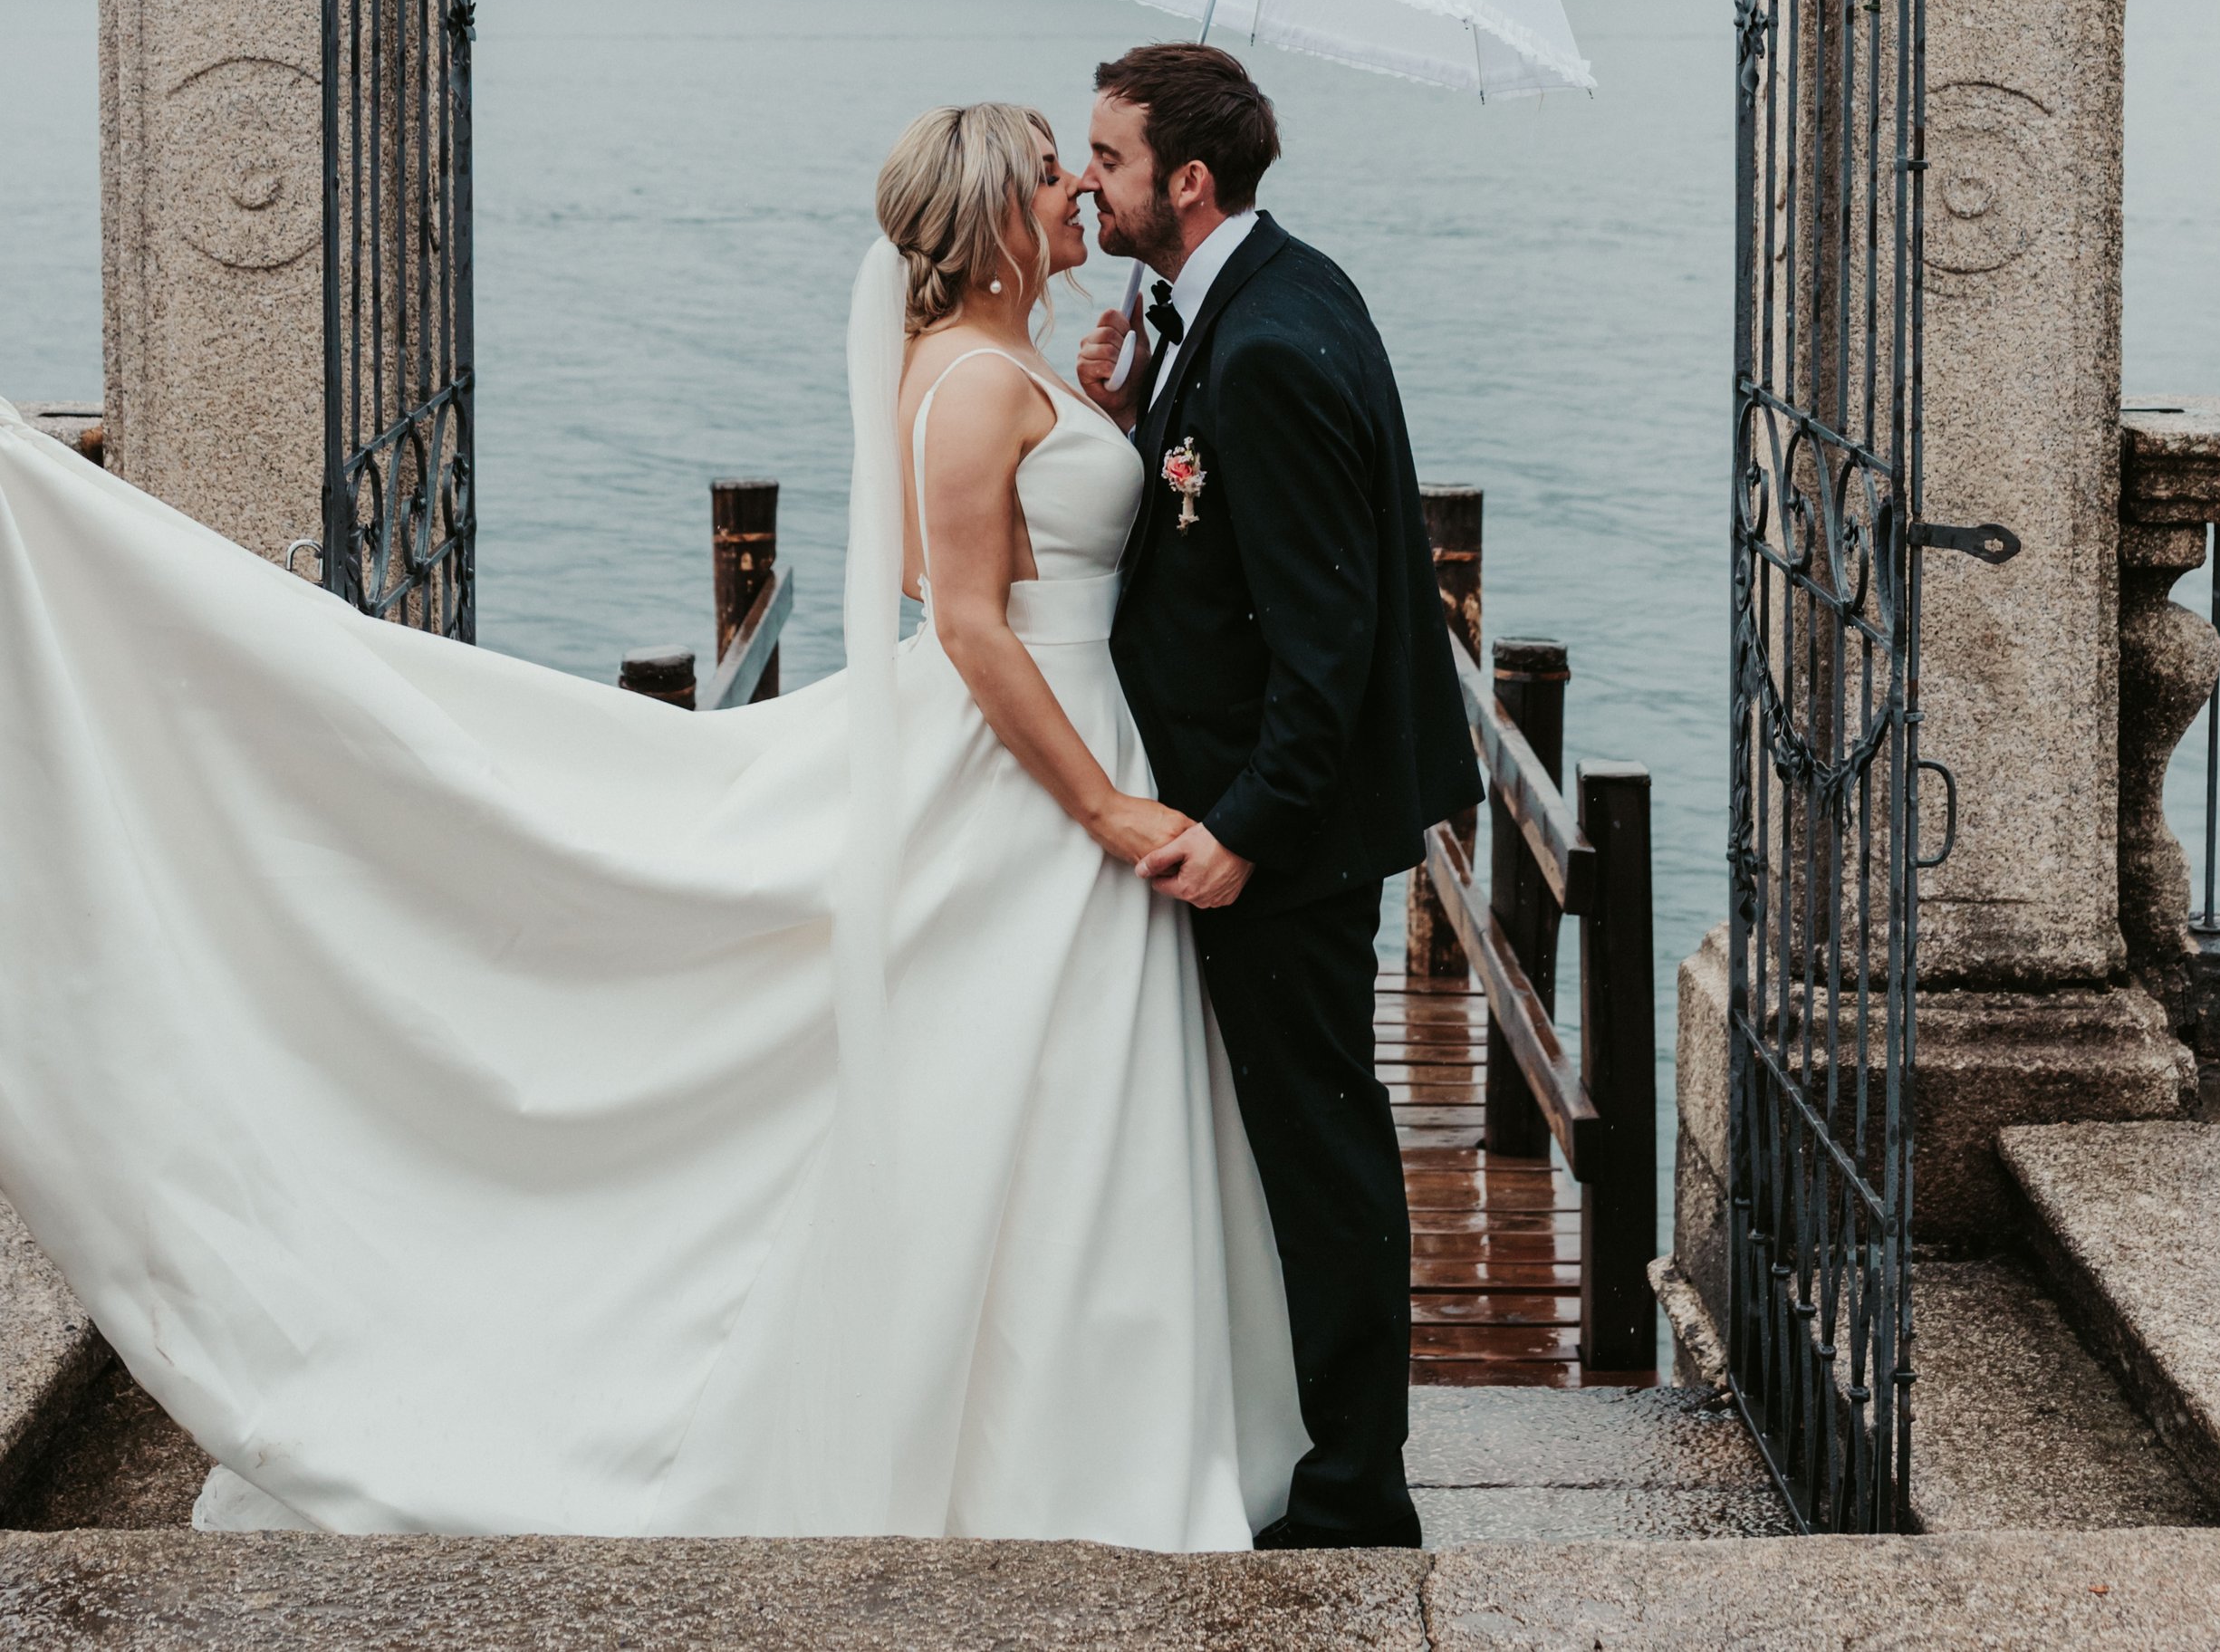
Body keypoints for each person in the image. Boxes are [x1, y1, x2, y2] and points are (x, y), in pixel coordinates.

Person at [0, 103, 1302, 1543]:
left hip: (1053, 732)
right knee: (1014, 1071)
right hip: (1036, 755)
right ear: (998, 207)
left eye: (1079, 165)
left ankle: (1056, 1417)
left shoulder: (1016, 365)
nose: (1074, 191)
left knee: (1044, 1082)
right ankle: (1047, 1443)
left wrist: (1103, 410)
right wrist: (1106, 801)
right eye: (1051, 170)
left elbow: (1016, 554)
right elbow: (976, 623)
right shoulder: (980, 381)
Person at [1075, 43, 1481, 1551]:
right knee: (1291, 1140)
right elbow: (1214, 544)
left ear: (1185, 180)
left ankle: (1358, 1490)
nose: (1087, 178)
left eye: (1108, 157)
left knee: (1320, 1147)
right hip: (1242, 819)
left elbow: (1333, 642)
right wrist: (1126, 411)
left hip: (1280, 843)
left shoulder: (1271, 345)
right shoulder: (1237, 308)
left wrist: (1244, 830)